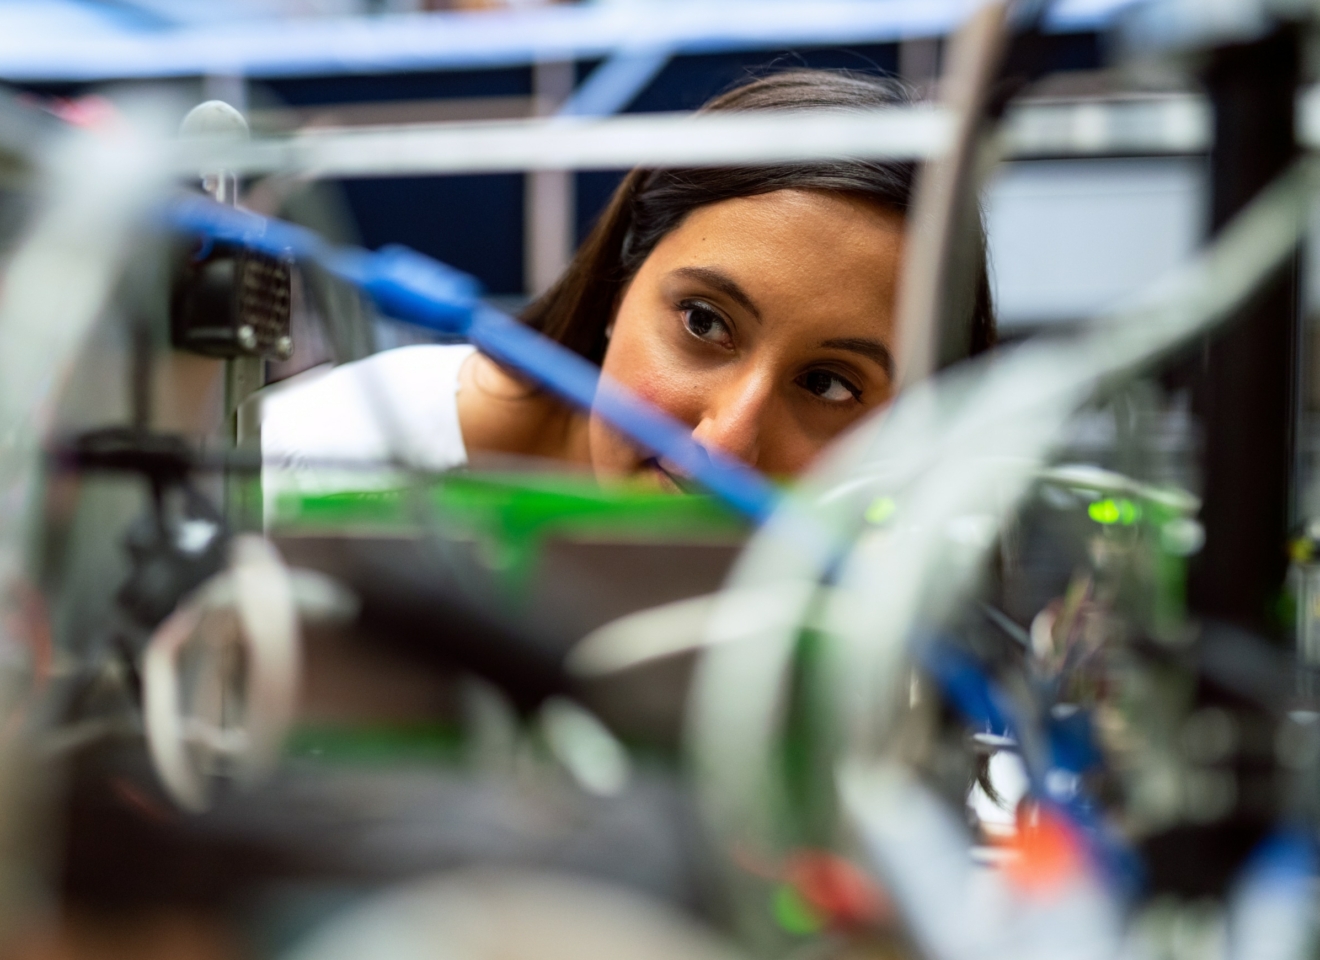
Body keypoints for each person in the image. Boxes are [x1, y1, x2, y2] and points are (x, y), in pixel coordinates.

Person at [261, 69, 995, 495]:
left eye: (829, 384)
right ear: (620, 283)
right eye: (704, 324)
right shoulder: (314, 465)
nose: (723, 444)